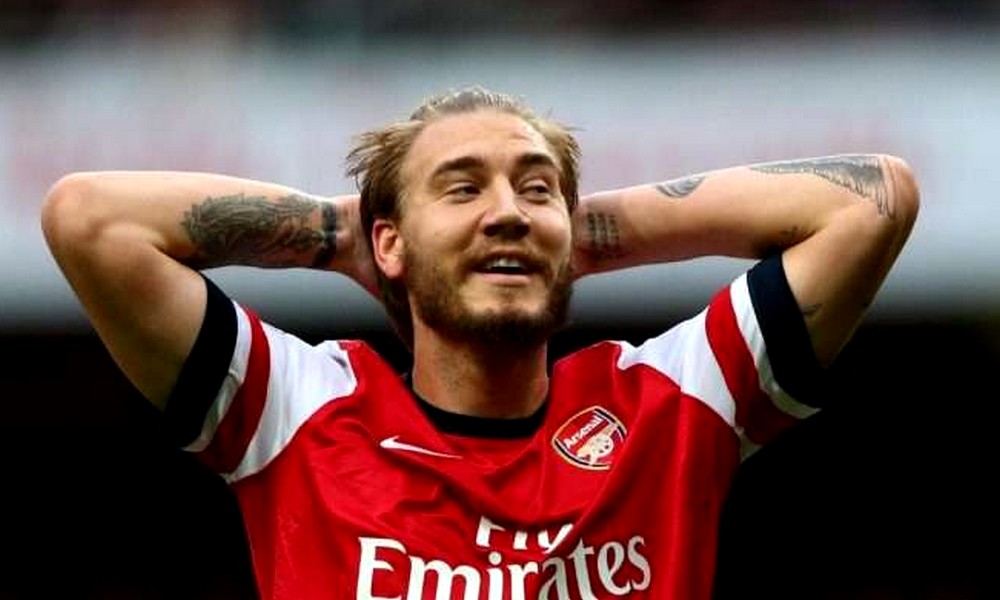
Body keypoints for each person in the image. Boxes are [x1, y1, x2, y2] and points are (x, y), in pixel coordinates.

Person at [41, 87, 919, 599]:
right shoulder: (295, 410)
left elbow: (871, 199)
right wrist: (345, 238)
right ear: (390, 242)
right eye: (461, 189)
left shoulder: (672, 402)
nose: (506, 210)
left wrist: (574, 235)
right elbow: (88, 219)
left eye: (535, 188)